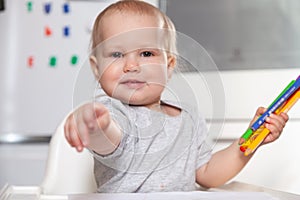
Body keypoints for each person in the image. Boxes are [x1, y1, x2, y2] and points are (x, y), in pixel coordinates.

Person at [64, 0, 289, 193]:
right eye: (116, 54)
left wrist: (251, 140)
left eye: (146, 53)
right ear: (96, 68)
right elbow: (108, 139)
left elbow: (207, 173)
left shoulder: (188, 118)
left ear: (169, 65)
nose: (131, 65)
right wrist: (93, 124)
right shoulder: (111, 111)